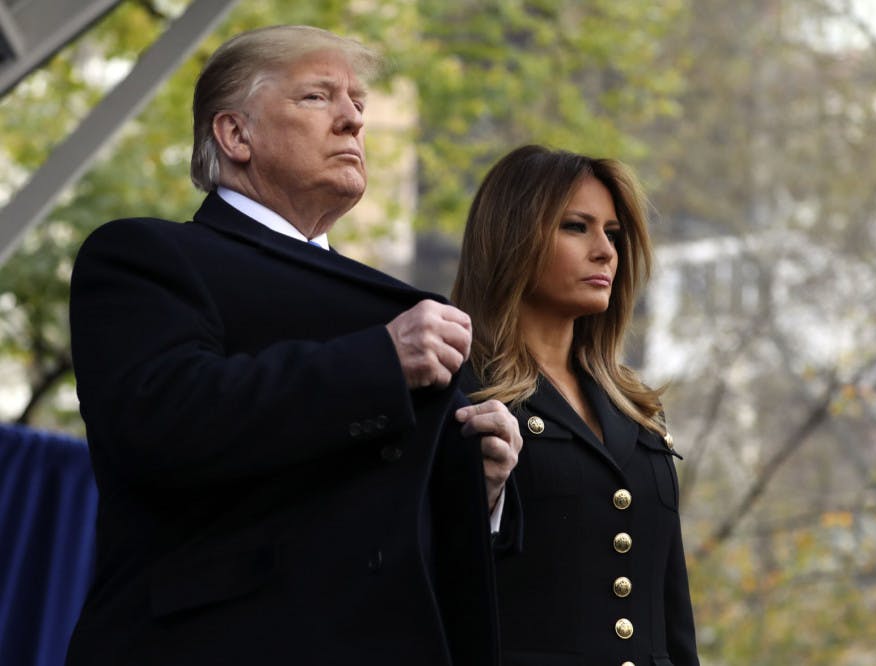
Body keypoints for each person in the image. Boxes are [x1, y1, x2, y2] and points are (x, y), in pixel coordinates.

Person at [65, 25, 520, 666]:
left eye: (358, 103)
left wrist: (481, 488)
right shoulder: (146, 255)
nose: (353, 121)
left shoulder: (408, 314)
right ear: (235, 134)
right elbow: (160, 421)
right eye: (317, 97)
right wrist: (379, 364)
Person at [452, 145, 700, 666]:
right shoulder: (460, 394)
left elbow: (672, 611)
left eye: (612, 233)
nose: (605, 251)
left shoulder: (636, 409)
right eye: (576, 227)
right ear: (512, 238)